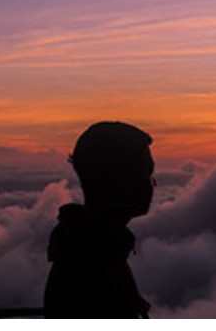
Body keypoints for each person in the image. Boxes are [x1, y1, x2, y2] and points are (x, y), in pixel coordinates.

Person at [44, 121, 155, 318]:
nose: (151, 185)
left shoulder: (100, 250)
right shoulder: (86, 270)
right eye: (144, 174)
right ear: (116, 180)